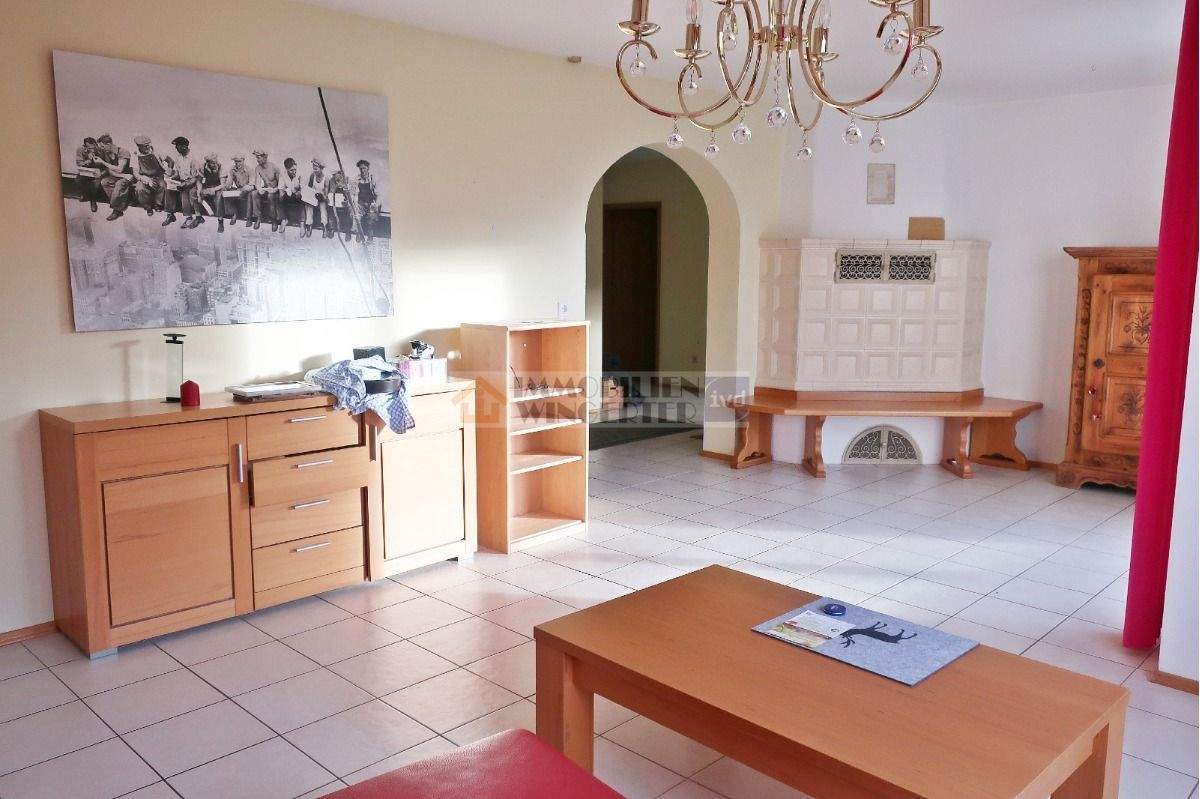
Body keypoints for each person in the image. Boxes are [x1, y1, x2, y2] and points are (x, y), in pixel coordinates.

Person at [111, 135, 170, 221]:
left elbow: (170, 161)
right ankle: (148, 207)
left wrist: (169, 170)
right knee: (140, 188)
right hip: (144, 176)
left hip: (158, 175)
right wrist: (145, 179)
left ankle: (158, 205)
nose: (147, 147)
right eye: (145, 146)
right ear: (139, 146)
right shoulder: (135, 155)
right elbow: (135, 173)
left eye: (148, 145)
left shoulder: (156, 151)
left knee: (162, 185)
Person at [164, 136, 203, 229]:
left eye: (177, 146)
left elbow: (195, 177)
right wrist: (171, 178)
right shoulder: (178, 157)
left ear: (184, 146)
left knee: (190, 193)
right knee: (169, 189)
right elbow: (177, 173)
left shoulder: (193, 158)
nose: (176, 148)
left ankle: (197, 217)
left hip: (195, 182)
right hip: (182, 182)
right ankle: (172, 215)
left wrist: (185, 184)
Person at [94, 134, 131, 221]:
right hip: (119, 176)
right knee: (105, 182)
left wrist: (102, 162)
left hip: (129, 177)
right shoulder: (107, 153)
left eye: (102, 146)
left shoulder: (123, 152)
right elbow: (110, 170)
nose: (101, 149)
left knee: (119, 184)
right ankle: (118, 205)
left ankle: (117, 210)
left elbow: (119, 169)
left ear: (109, 144)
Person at [250, 149, 283, 232]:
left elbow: (281, 184)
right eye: (256, 158)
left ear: (265, 157)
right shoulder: (258, 168)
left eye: (259, 158)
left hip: (275, 190)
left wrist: (274, 190)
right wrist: (259, 189)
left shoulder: (274, 167)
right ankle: (258, 217)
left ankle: (274, 220)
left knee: (270, 196)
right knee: (254, 193)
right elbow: (257, 182)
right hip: (266, 189)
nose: (257, 160)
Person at [199, 153, 229, 233]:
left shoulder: (221, 168)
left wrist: (213, 189)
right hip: (208, 187)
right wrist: (201, 190)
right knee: (198, 195)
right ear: (208, 163)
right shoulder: (203, 167)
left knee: (219, 198)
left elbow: (223, 184)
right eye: (212, 163)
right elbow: (200, 180)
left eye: (215, 162)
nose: (214, 164)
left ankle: (220, 221)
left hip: (218, 187)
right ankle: (202, 216)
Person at [324, 168, 355, 241]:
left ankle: (348, 231)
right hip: (334, 203)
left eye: (337, 174)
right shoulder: (331, 181)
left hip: (344, 204)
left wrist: (347, 201)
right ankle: (331, 228)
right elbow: (328, 193)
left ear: (341, 174)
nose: (335, 176)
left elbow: (352, 194)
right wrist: (328, 198)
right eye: (334, 175)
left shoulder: (347, 180)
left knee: (349, 211)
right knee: (330, 209)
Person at [354, 159, 380, 243]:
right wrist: (356, 204)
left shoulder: (372, 179)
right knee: (357, 215)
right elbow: (355, 194)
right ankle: (359, 233)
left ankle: (370, 236)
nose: (362, 170)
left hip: (371, 202)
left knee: (371, 216)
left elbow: (378, 194)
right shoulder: (357, 179)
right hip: (361, 202)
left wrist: (375, 204)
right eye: (361, 169)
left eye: (364, 168)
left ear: (368, 168)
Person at [74, 137, 102, 212]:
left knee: (95, 184)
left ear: (95, 145)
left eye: (92, 147)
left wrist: (96, 160)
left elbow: (104, 164)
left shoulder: (100, 149)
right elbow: (79, 163)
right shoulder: (80, 149)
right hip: (86, 170)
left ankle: (93, 200)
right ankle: (85, 194)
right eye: (89, 148)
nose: (91, 149)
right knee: (78, 180)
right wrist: (88, 161)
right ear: (85, 146)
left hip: (97, 171)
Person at [301, 158, 327, 238]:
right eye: (313, 168)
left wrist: (322, 196)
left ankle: (324, 226)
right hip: (314, 197)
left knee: (323, 208)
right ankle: (309, 224)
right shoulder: (312, 176)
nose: (314, 171)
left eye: (316, 169)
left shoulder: (326, 179)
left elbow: (326, 195)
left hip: (322, 198)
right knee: (308, 205)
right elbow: (309, 188)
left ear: (321, 168)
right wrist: (307, 194)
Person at [224, 155, 253, 226]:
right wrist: (226, 186)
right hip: (239, 189)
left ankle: (249, 218)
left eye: (239, 161)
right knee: (227, 194)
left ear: (243, 161)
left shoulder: (249, 169)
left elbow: (252, 184)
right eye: (236, 161)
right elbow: (229, 182)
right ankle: (234, 214)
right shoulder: (232, 170)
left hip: (248, 189)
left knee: (249, 195)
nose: (237, 163)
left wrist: (245, 188)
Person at [278, 157, 303, 234]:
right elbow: (281, 189)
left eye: (295, 169)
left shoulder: (300, 174)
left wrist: (299, 193)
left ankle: (302, 223)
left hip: (298, 195)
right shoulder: (282, 175)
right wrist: (282, 196)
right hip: (289, 195)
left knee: (302, 200)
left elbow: (303, 188)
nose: (294, 172)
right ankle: (284, 219)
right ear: (286, 169)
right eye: (291, 170)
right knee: (281, 198)